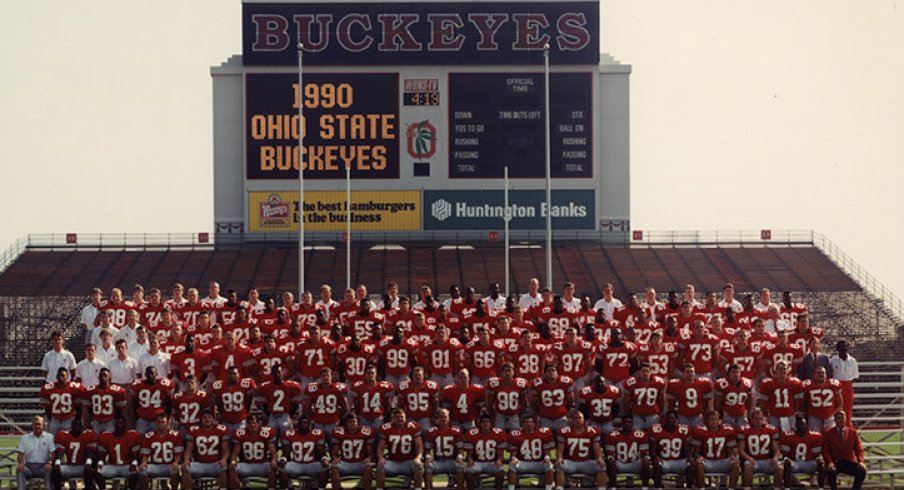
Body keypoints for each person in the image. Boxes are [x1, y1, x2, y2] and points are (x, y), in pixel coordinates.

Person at [554, 409, 607, 490]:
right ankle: (559, 488)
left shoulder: (592, 431)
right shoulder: (564, 431)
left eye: (580, 418)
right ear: (572, 420)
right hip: (571, 461)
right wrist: (560, 458)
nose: (578, 420)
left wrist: (599, 458)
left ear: (584, 420)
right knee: (559, 465)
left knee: (601, 466)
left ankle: (602, 488)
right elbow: (560, 448)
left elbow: (596, 447)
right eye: (575, 418)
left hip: (586, 462)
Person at [375, 408, 425, 490]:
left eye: (402, 417)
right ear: (393, 419)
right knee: (380, 466)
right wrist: (380, 458)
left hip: (408, 462)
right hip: (393, 462)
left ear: (406, 418)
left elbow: (419, 446)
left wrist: (418, 458)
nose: (400, 419)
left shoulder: (413, 427)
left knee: (419, 466)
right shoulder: (386, 428)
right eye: (397, 417)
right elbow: (380, 447)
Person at [181, 408, 230, 489]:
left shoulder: (221, 430)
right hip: (200, 464)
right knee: (184, 468)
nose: (207, 419)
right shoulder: (194, 430)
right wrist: (186, 460)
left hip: (215, 464)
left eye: (209, 417)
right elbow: (188, 450)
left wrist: (224, 459)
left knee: (224, 467)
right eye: (205, 417)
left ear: (214, 419)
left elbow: (226, 451)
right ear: (201, 419)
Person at [690, 410, 740, 489]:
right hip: (707, 461)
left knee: (736, 465)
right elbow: (695, 452)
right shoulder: (700, 431)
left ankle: (731, 488)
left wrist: (733, 456)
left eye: (716, 419)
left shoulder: (727, 430)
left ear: (719, 421)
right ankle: (702, 488)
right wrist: (699, 457)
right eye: (711, 419)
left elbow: (731, 451)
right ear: (707, 421)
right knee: (699, 465)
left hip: (722, 461)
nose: (714, 422)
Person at [228, 412, 278, 489]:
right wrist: (233, 461)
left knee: (273, 468)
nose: (252, 425)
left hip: (262, 464)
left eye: (254, 423)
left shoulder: (266, 433)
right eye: (250, 423)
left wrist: (274, 461)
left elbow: (273, 452)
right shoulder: (241, 433)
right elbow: (235, 453)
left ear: (259, 424)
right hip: (247, 464)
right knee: (231, 468)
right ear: (247, 425)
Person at [279, 414, 329, 489]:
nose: (303, 425)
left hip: (311, 464)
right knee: (281, 467)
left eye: (305, 423)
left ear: (309, 424)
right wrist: (283, 459)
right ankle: (287, 487)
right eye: (301, 423)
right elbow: (286, 453)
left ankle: (319, 488)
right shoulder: (290, 434)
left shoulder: (317, 434)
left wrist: (324, 459)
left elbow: (321, 452)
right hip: (296, 464)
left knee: (325, 467)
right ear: (298, 424)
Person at [737, 408, 782, 490]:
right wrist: (749, 458)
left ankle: (777, 488)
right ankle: (747, 488)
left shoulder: (771, 430)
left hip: (767, 460)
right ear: (752, 420)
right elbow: (740, 450)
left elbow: (776, 448)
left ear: (764, 419)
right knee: (748, 467)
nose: (758, 421)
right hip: (752, 459)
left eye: (760, 418)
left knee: (779, 468)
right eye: (756, 419)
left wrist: (775, 457)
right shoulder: (744, 430)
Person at [507, 414, 554, 490]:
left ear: (534, 424)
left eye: (531, 422)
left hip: (538, 463)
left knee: (549, 465)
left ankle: (548, 488)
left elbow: (547, 450)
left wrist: (547, 457)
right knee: (512, 465)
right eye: (526, 422)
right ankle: (511, 488)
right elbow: (513, 452)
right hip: (522, 463)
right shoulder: (516, 434)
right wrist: (513, 458)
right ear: (523, 424)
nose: (529, 424)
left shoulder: (543, 433)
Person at [137, 412, 183, 490]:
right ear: (156, 423)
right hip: (155, 465)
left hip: (169, 465)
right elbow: (145, 455)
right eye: (159, 422)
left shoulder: (175, 435)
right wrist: (144, 463)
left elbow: (178, 454)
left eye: (163, 422)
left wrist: (176, 462)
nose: (161, 424)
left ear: (168, 423)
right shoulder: (149, 436)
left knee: (175, 470)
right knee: (142, 471)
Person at [649, 411, 694, 489]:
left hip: (679, 461)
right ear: (665, 419)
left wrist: (689, 457)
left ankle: (689, 487)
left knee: (691, 464)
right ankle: (658, 487)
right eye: (668, 418)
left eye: (672, 418)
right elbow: (652, 449)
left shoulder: (683, 431)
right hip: (664, 461)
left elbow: (687, 448)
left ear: (676, 420)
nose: (670, 420)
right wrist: (655, 457)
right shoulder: (657, 430)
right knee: (656, 464)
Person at [462, 412, 507, 490]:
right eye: (483, 422)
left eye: (488, 421)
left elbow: (500, 455)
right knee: (469, 471)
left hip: (492, 462)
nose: (486, 424)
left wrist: (499, 460)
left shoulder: (498, 434)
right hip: (478, 463)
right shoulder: (472, 434)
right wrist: (469, 460)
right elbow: (469, 454)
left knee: (500, 471)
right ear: (479, 423)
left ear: (491, 423)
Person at [822, 411, 866, 490]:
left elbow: (859, 448)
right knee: (830, 472)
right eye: (838, 418)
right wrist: (830, 462)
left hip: (849, 461)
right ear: (834, 420)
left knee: (862, 471)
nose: (841, 420)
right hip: (836, 462)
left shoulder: (852, 432)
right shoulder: (828, 433)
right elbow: (825, 451)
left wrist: (861, 461)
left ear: (845, 419)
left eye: (842, 418)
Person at [330, 413, 375, 490]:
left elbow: (371, 452)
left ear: (358, 423)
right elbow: (334, 452)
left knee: (368, 467)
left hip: (360, 462)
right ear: (346, 423)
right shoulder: (339, 433)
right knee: (334, 469)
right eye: (349, 422)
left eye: (354, 421)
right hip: (345, 462)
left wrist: (369, 458)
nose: (352, 424)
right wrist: (335, 458)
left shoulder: (365, 432)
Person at [51, 416, 98, 490]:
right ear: (71, 426)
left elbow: (91, 453)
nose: (76, 427)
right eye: (74, 425)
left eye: (78, 425)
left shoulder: (87, 435)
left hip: (82, 466)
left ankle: (88, 487)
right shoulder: (64, 435)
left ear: (82, 427)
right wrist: (57, 463)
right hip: (69, 466)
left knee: (90, 469)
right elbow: (60, 452)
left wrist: (88, 462)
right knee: (55, 470)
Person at [779, 415, 825, 489]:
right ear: (796, 425)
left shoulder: (815, 436)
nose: (801, 426)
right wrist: (787, 459)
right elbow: (785, 454)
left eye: (803, 424)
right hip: (794, 463)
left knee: (821, 463)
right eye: (799, 424)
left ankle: (821, 488)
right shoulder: (788, 436)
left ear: (806, 424)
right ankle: (787, 488)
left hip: (809, 462)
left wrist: (818, 459)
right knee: (787, 464)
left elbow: (816, 454)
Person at [95, 418, 141, 490]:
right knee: (97, 472)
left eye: (121, 424)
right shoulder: (107, 436)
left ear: (125, 425)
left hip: (126, 466)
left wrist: (134, 464)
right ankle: (103, 488)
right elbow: (102, 457)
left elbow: (136, 457)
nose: (119, 426)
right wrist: (100, 463)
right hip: (112, 466)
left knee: (135, 472)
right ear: (114, 425)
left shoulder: (131, 436)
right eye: (117, 423)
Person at [604, 417, 651, 488]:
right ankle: (612, 486)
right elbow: (609, 453)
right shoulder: (612, 435)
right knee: (610, 461)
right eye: (625, 422)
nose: (627, 424)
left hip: (635, 463)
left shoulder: (641, 435)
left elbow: (644, 453)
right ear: (622, 424)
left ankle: (645, 486)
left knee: (646, 461)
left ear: (632, 424)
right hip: (619, 463)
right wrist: (611, 458)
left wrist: (645, 458)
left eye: (629, 422)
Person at [39, 368, 84, 435]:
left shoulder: (74, 387)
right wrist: (50, 418)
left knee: (67, 439)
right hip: (54, 418)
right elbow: (47, 408)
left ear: (67, 377)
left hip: (69, 417)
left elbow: (78, 406)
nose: (61, 377)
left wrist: (77, 418)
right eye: (59, 375)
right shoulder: (48, 388)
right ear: (56, 376)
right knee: (51, 439)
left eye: (63, 375)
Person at [82, 368, 127, 433]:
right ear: (98, 377)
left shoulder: (117, 391)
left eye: (105, 376)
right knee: (95, 438)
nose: (103, 378)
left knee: (108, 439)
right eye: (101, 376)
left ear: (110, 377)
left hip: (110, 420)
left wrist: (115, 418)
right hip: (96, 420)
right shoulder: (91, 390)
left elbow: (119, 409)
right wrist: (94, 416)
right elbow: (88, 408)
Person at [130, 366, 173, 433]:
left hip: (158, 419)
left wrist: (167, 416)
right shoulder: (138, 385)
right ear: (145, 375)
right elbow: (134, 403)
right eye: (148, 373)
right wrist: (137, 417)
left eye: (152, 373)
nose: (150, 375)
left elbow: (168, 402)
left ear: (156, 374)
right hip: (143, 418)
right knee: (139, 438)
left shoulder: (164, 385)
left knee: (159, 438)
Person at [16, 416, 55, 490]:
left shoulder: (49, 437)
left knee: (49, 469)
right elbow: (20, 452)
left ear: (43, 425)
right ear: (32, 425)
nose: (37, 426)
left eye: (39, 424)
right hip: (28, 466)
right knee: (19, 470)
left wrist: (50, 463)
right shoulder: (25, 437)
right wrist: (21, 463)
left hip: (43, 467)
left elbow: (53, 452)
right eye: (35, 424)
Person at [830, 340, 859, 426]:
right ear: (837, 348)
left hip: (847, 386)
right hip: (836, 386)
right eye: (841, 346)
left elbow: (854, 376)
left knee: (847, 410)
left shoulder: (853, 361)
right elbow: (830, 375)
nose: (843, 348)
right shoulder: (833, 361)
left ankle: (848, 431)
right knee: (835, 409)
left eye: (845, 346)